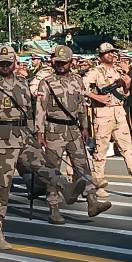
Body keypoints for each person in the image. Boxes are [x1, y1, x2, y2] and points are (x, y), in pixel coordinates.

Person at [0, 45, 84, 251]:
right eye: (1, 62)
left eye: (8, 62)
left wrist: (35, 133)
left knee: (44, 165)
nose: (5, 66)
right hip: (1, 139)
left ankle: (65, 188)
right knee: (1, 187)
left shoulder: (23, 83)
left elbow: (29, 111)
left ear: (14, 63)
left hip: (24, 135)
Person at [35, 45, 110, 223]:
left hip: (74, 130)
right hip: (54, 129)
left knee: (82, 165)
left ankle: (92, 201)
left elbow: (82, 105)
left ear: (71, 62)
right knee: (53, 169)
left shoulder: (77, 80)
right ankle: (54, 207)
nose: (61, 65)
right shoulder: (46, 82)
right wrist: (39, 131)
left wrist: (84, 126)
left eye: (64, 62)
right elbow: (40, 109)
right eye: (58, 62)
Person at [82, 43, 132, 189]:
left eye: (112, 52)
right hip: (103, 112)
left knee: (128, 148)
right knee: (100, 150)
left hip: (119, 111)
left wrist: (127, 85)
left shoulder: (118, 71)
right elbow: (81, 88)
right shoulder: (95, 72)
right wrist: (97, 97)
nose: (111, 55)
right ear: (101, 56)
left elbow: (125, 94)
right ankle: (98, 183)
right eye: (107, 52)